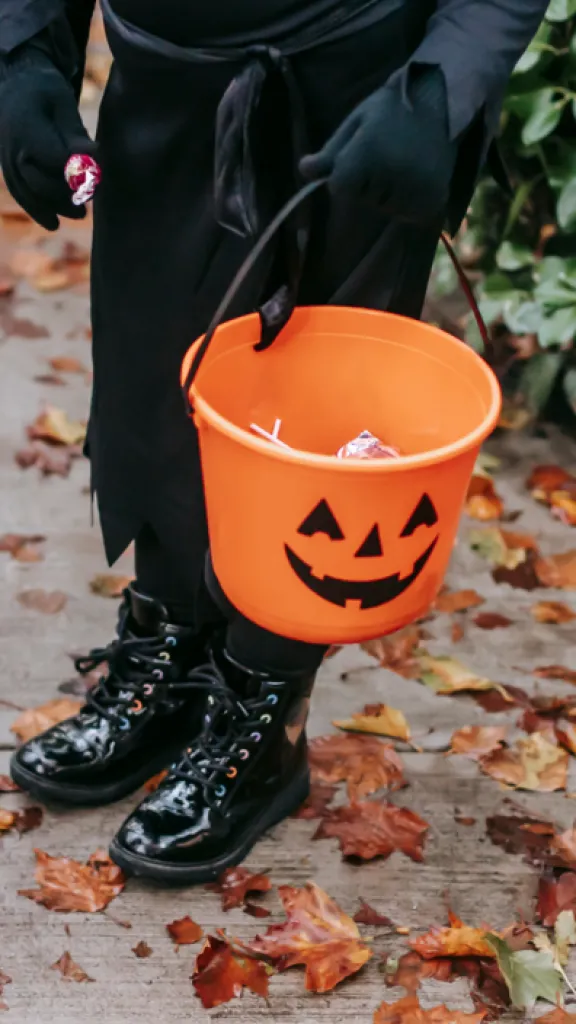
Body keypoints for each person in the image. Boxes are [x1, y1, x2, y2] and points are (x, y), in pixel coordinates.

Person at [1, 0, 548, 884]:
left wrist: (445, 78)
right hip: (164, 80)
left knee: (317, 433)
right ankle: (171, 663)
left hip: (359, 91)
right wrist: (23, 54)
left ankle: (264, 715)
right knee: (158, 378)